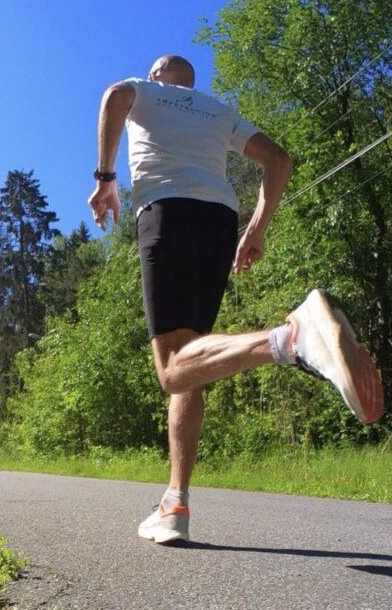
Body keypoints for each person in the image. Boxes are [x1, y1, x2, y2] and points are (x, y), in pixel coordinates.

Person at [88, 54, 384, 545]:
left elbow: (113, 97)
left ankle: (290, 339)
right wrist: (256, 229)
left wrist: (105, 178)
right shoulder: (217, 110)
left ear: (160, 75)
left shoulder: (146, 90)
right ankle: (175, 504)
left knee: (172, 368)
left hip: (167, 212)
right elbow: (280, 160)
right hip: (219, 223)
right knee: (195, 358)